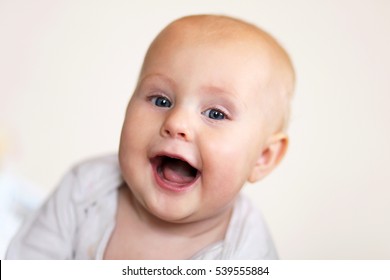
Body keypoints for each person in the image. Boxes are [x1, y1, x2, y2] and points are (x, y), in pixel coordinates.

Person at [6, 14, 295, 259]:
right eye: (161, 101)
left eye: (216, 114)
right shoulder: (85, 190)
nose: (176, 122)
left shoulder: (248, 252)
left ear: (263, 157)